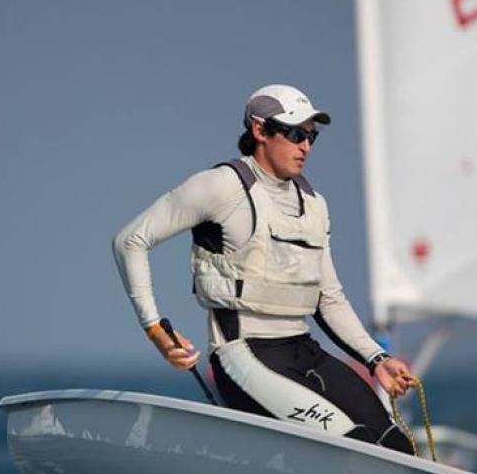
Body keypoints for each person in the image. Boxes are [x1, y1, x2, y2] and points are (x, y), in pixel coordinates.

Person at [112, 84, 417, 454]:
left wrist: (377, 359)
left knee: (398, 447)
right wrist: (155, 329)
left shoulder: (315, 204)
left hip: (304, 351)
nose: (306, 146)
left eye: (312, 136)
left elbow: (328, 298)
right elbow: (130, 240)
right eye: (295, 134)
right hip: (244, 356)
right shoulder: (220, 187)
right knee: (353, 447)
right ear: (260, 130)